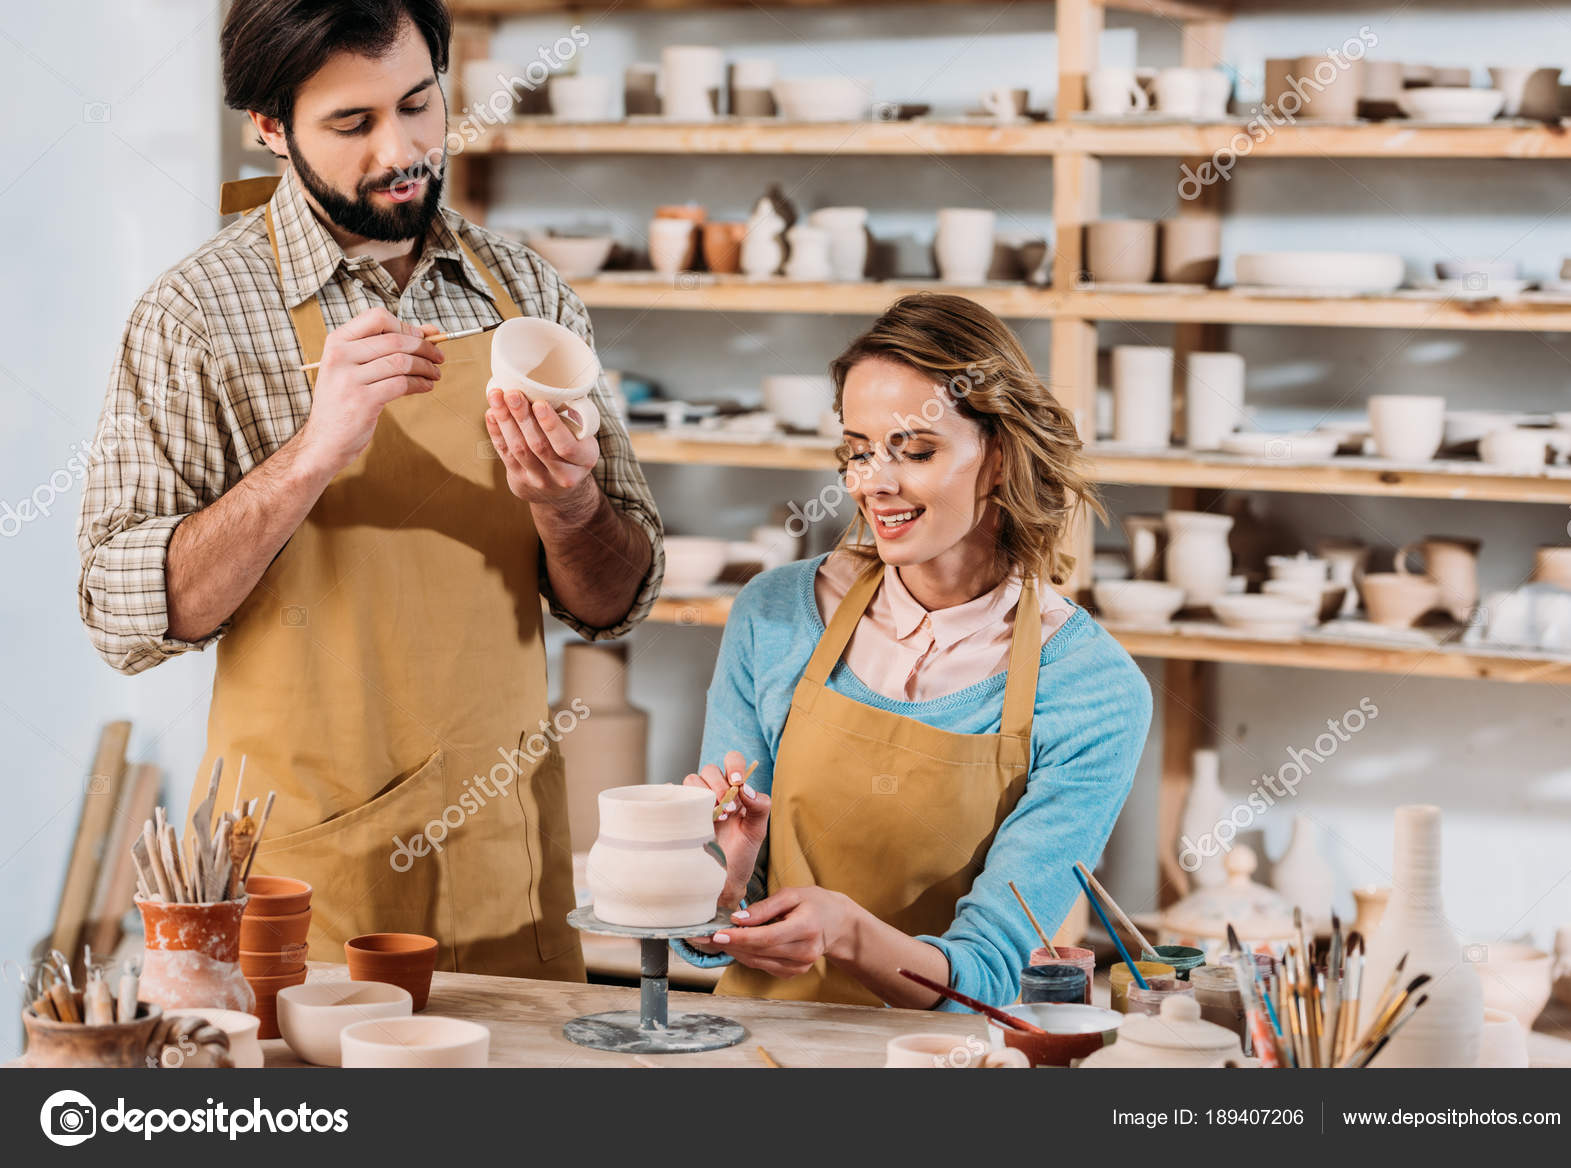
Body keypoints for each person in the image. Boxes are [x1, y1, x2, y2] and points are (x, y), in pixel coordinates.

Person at [75, 0, 663, 979]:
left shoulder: (528, 293)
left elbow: (614, 601)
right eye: (352, 125)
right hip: (303, 879)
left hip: (501, 855)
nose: (404, 150)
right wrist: (312, 452)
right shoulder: (196, 314)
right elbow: (125, 613)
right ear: (270, 128)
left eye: (420, 104)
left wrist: (569, 507)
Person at [677, 293, 1151, 1008]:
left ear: (998, 457)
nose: (874, 483)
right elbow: (709, 935)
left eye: (916, 451)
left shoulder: (1092, 688)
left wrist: (848, 934)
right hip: (753, 1049)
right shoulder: (774, 616)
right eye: (858, 451)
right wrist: (718, 882)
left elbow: (989, 975)